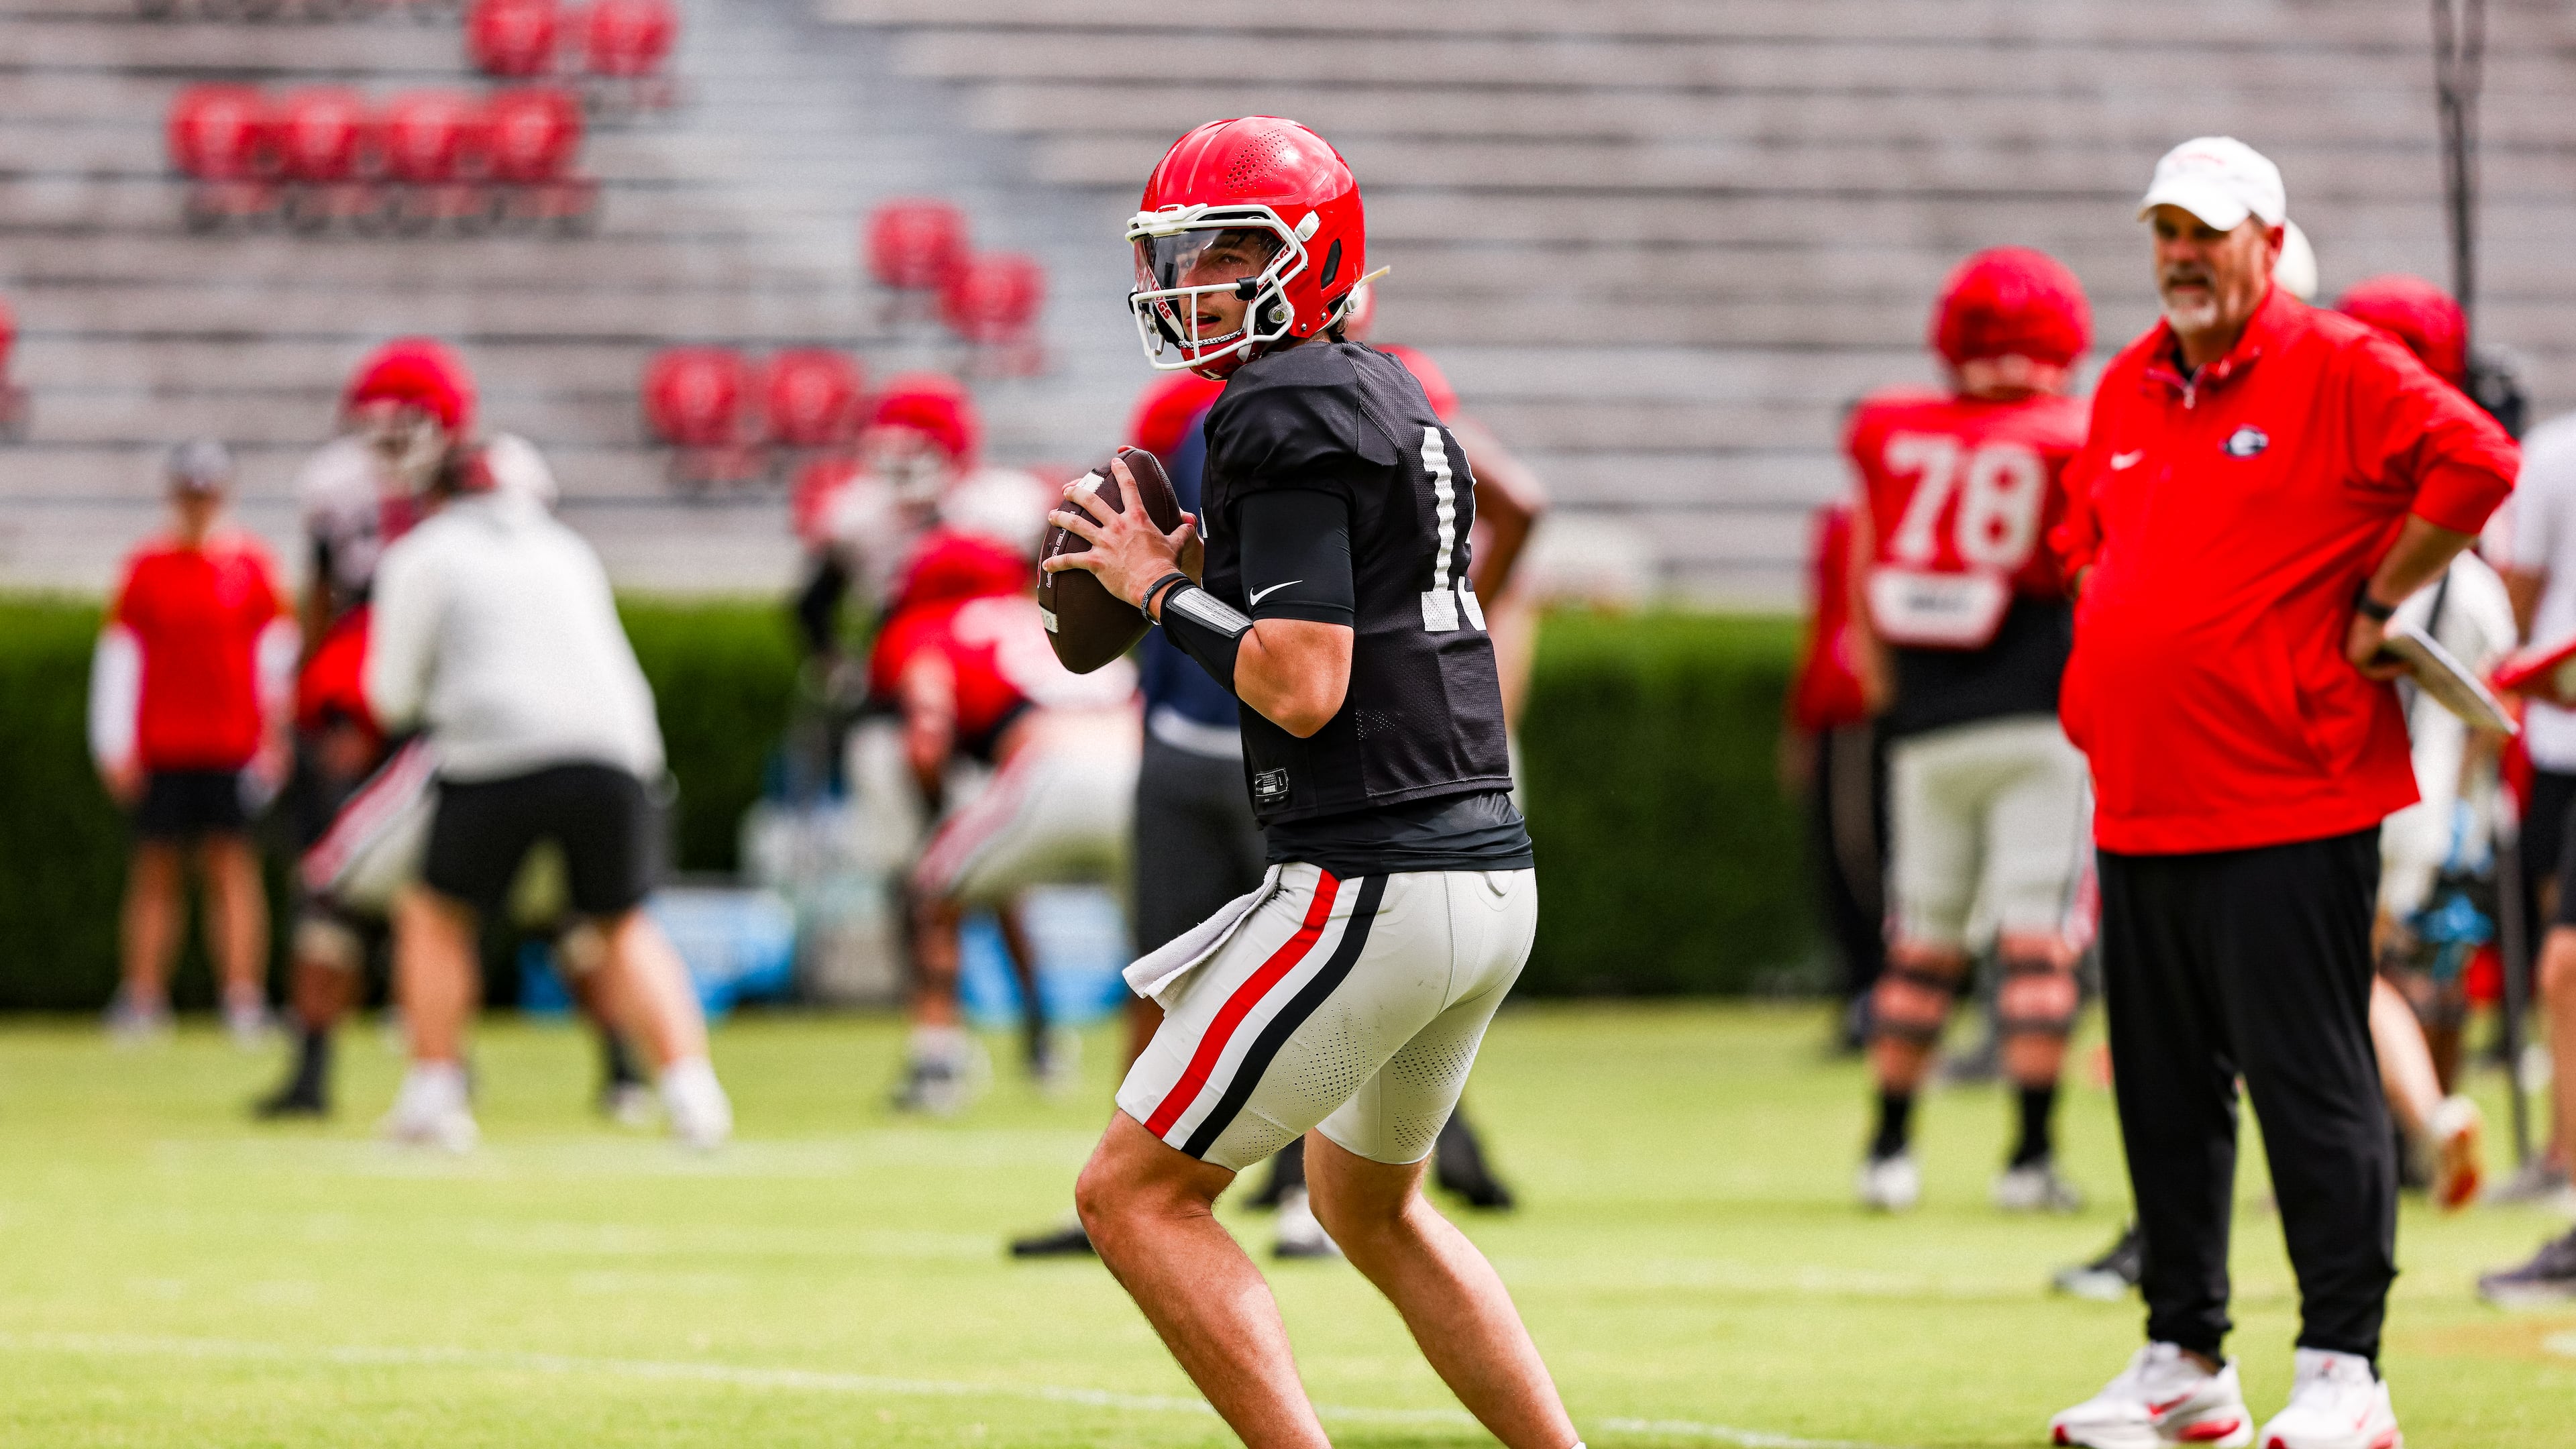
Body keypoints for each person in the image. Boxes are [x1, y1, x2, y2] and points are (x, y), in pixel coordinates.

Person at [1047, 116, 1581, 1449]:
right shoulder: (1386, 389)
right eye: (1179, 257)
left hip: (1376, 880)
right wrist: (1198, 572)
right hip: (1482, 871)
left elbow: (1302, 682)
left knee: (1133, 1195)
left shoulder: (1281, 406)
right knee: (1364, 1207)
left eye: (1226, 254)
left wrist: (1156, 588)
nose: (1192, 286)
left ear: (1308, 258)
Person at [2044, 138, 2517, 1449]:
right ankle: (2181, 1357)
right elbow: (2090, 540)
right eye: (2165, 232)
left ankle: (2342, 1370)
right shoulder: (2132, 384)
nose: (2182, 255)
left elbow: (2476, 462)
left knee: (2311, 1083)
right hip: (2142, 797)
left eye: (2207, 230)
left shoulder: (2340, 363)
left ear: (2267, 236)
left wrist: (2378, 598)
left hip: (2290, 796)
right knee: (2163, 1092)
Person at [255, 339, 647, 1122]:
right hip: (400, 705)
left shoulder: (492, 485)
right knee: (418, 899)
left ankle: (611, 1064)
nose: (392, 446)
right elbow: (324, 595)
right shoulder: (340, 490)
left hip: (467, 717)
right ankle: (351, 1069)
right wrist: (311, 699)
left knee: (514, 905)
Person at [366, 441, 734, 1152]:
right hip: (619, 750)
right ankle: (694, 1093)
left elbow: (391, 694)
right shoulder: (567, 549)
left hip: (494, 749)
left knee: (434, 912)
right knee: (623, 923)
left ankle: (435, 1094)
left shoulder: (426, 551)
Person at [1841, 247, 2094, 1215]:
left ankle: (1888, 1150)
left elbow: (1865, 570)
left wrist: (1884, 692)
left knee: (1922, 944)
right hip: (2040, 718)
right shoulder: (2073, 432)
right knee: (2037, 944)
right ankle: (2028, 1158)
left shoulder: (1893, 428)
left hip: (1928, 723)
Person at [876, 527, 1140, 1112]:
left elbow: (926, 738)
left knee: (934, 893)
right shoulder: (1041, 614)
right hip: (1141, 764)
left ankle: (937, 1064)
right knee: (1161, 943)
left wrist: (933, 805)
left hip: (1048, 763)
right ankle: (1160, 1088)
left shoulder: (928, 629)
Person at [89, 439, 294, 1046]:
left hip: (231, 744)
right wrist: (114, 744)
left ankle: (243, 997)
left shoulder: (252, 567)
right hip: (164, 745)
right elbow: (121, 661)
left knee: (232, 868)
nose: (198, 505)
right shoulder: (146, 569)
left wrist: (274, 743)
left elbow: (275, 662)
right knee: (156, 871)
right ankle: (143, 997)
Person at [2481, 401, 2576, 1301]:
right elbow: (2520, 599)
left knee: (2567, 967)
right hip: (2564, 742)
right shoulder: (2554, 452)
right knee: (2565, 967)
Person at [1784, 498, 1886, 1053]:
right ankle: (1864, 993)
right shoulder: (1844, 522)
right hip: (1841, 704)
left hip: (1860, 707)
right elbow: (1824, 618)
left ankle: (1879, 995)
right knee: (1843, 856)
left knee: (1862, 854)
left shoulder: (1863, 521)